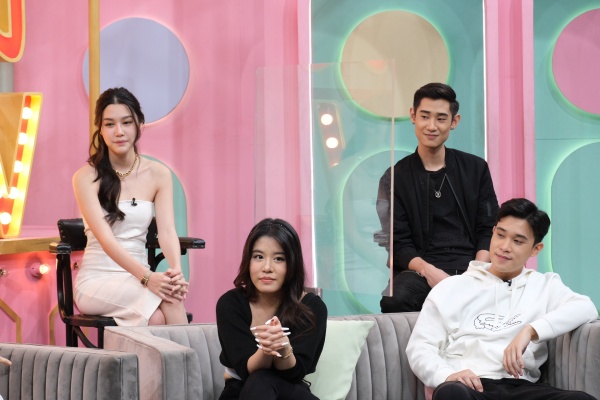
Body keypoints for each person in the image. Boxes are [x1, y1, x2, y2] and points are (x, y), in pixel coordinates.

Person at [406, 198, 598, 400]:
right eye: (500, 235)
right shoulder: (451, 288)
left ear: (536, 249)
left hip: (521, 387)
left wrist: (530, 331)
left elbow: (585, 307)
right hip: (471, 387)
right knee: (452, 393)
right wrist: (447, 375)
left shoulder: (545, 285)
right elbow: (421, 348)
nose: (504, 247)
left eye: (518, 241)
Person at [73, 87, 189, 326]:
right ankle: (193, 353)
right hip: (97, 281)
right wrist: (147, 278)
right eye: (109, 124)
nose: (119, 131)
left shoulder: (158, 174)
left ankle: (174, 353)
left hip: (139, 278)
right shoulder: (85, 177)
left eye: (126, 122)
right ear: (100, 129)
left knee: (162, 309)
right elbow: (107, 241)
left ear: (139, 124)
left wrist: (176, 271)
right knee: (168, 300)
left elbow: (167, 231)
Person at [379, 82, 499, 313]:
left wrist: (476, 272)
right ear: (413, 116)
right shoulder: (395, 177)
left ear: (454, 121)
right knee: (395, 299)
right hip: (422, 270)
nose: (431, 126)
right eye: (425, 116)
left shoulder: (475, 168)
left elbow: (488, 228)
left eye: (441, 118)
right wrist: (429, 272)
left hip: (474, 266)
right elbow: (398, 243)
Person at [216, 218, 327, 400]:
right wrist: (266, 349)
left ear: (292, 264)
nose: (267, 268)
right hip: (241, 390)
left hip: (289, 390)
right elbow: (246, 369)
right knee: (259, 380)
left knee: (264, 380)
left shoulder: (312, 307)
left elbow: (296, 372)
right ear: (248, 260)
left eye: (279, 259)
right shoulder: (230, 304)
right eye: (258, 257)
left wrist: (283, 348)